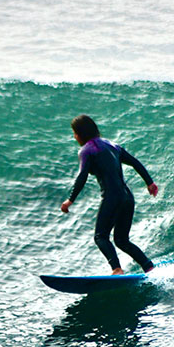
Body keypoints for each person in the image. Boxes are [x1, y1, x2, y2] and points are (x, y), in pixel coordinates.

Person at [61, 114, 158, 275]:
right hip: (127, 197)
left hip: (112, 198)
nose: (74, 136)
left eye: (74, 133)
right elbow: (134, 161)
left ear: (80, 134)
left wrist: (70, 200)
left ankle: (117, 269)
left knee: (100, 236)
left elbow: (82, 176)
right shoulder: (112, 145)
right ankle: (149, 266)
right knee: (121, 240)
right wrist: (150, 182)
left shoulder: (86, 151)